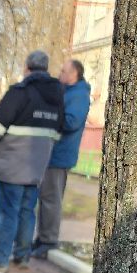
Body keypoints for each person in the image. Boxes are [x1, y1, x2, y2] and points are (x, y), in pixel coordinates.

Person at [0, 50, 65, 270]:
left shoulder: (19, 92)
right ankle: (22, 255)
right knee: (27, 212)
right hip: (36, 168)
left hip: (10, 166)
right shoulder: (57, 97)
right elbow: (57, 133)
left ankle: (0, 258)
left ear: (27, 68)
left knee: (7, 213)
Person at [32, 59, 90, 258]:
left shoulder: (79, 95)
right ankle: (42, 237)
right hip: (51, 153)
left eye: (63, 70)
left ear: (74, 74)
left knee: (52, 199)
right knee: (45, 197)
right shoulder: (68, 92)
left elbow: (72, 121)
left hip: (60, 154)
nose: (60, 74)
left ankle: (49, 240)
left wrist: (50, 115)